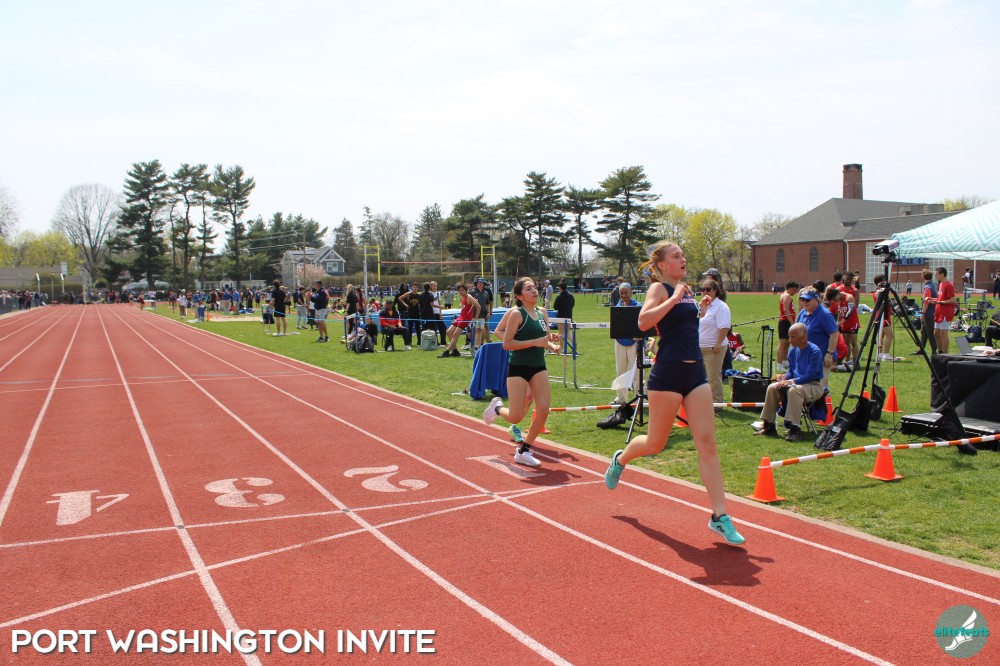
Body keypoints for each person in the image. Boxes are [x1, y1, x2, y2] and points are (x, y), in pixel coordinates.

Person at [603, 241, 746, 546]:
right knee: (655, 444)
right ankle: (621, 458)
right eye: (677, 256)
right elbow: (643, 322)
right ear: (662, 265)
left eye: (683, 255)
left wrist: (699, 309)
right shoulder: (660, 289)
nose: (683, 259)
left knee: (707, 442)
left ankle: (719, 515)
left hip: (695, 374)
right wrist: (675, 297)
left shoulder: (687, 291)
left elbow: (681, 325)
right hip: (668, 373)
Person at [481, 277, 560, 467]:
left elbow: (544, 338)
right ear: (519, 296)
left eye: (535, 287)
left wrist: (552, 344)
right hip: (518, 367)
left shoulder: (542, 312)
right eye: (529, 289)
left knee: (543, 409)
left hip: (538, 366)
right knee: (516, 416)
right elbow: (507, 344)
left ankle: (524, 450)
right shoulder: (517, 314)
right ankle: (497, 408)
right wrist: (534, 342)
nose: (534, 291)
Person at [753, 323, 825, 442]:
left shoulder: (814, 351)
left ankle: (794, 428)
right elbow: (791, 372)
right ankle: (768, 425)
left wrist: (790, 381)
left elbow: (810, 375)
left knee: (795, 390)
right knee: (772, 387)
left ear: (803, 337)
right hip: (796, 384)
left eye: (793, 337)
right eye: (789, 336)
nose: (789, 340)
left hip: (813, 385)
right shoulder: (792, 351)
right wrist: (783, 378)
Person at [698, 279, 731, 408]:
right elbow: (698, 321)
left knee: (713, 376)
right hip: (699, 346)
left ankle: (717, 403)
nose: (705, 292)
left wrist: (718, 344)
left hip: (713, 348)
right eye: (703, 289)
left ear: (715, 291)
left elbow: (725, 327)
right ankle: (702, 401)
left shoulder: (721, 307)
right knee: (699, 376)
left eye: (708, 289)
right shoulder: (702, 305)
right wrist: (702, 307)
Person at [796, 287, 838, 385]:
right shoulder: (802, 313)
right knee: (805, 385)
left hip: (821, 356)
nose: (804, 302)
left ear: (816, 299)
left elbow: (834, 334)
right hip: (805, 356)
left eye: (807, 300)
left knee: (820, 386)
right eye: (802, 299)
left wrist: (829, 354)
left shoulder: (824, 314)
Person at [612, 283, 641, 405]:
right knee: (621, 370)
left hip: (634, 343)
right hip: (620, 342)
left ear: (631, 293)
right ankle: (621, 397)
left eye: (626, 293)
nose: (624, 295)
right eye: (621, 293)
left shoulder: (638, 306)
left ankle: (639, 396)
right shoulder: (617, 307)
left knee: (637, 371)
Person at [440, 283, 480, 357]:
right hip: (460, 317)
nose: (461, 292)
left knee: (455, 334)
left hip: (465, 319)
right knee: (448, 332)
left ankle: (447, 351)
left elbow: (478, 307)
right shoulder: (462, 297)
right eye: (459, 290)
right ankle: (455, 350)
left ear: (466, 290)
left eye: (462, 290)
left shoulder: (469, 297)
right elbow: (463, 307)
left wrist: (475, 318)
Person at [912, 269, 938, 356]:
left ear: (923, 277)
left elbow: (926, 302)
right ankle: (921, 348)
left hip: (928, 313)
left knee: (930, 332)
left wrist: (923, 314)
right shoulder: (933, 285)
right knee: (924, 332)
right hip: (932, 312)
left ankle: (934, 350)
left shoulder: (927, 287)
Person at [932, 267, 957, 355]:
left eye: (936, 274)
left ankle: (945, 354)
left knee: (943, 333)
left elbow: (953, 299)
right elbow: (940, 298)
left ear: (942, 274)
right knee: (936, 333)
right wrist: (932, 299)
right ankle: (940, 351)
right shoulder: (940, 284)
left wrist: (939, 302)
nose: (935, 276)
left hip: (945, 313)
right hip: (938, 312)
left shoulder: (948, 285)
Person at [776, 281, 799, 372]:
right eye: (794, 290)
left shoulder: (787, 296)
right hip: (785, 322)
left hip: (787, 322)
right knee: (783, 344)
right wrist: (792, 322)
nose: (795, 292)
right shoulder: (786, 296)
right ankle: (779, 364)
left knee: (787, 343)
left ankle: (785, 361)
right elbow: (786, 310)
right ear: (789, 288)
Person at [837, 273, 860, 365]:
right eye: (847, 278)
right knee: (845, 341)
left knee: (853, 342)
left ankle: (856, 361)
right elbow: (839, 308)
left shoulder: (855, 290)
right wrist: (839, 320)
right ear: (844, 277)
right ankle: (847, 361)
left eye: (850, 279)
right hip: (843, 320)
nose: (849, 280)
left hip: (852, 320)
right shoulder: (839, 289)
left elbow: (855, 306)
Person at [872, 275, 894, 360]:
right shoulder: (879, 292)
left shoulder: (877, 291)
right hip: (884, 316)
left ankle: (880, 353)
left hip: (881, 315)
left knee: (881, 335)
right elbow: (883, 303)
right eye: (884, 281)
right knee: (889, 335)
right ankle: (886, 354)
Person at [469, 277, 493, 348]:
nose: (480, 284)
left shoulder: (485, 293)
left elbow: (487, 303)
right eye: (479, 283)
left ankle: (479, 345)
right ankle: (473, 344)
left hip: (483, 315)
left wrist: (488, 312)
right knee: (474, 330)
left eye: (482, 283)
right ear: (476, 284)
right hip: (474, 315)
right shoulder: (472, 292)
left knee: (481, 330)